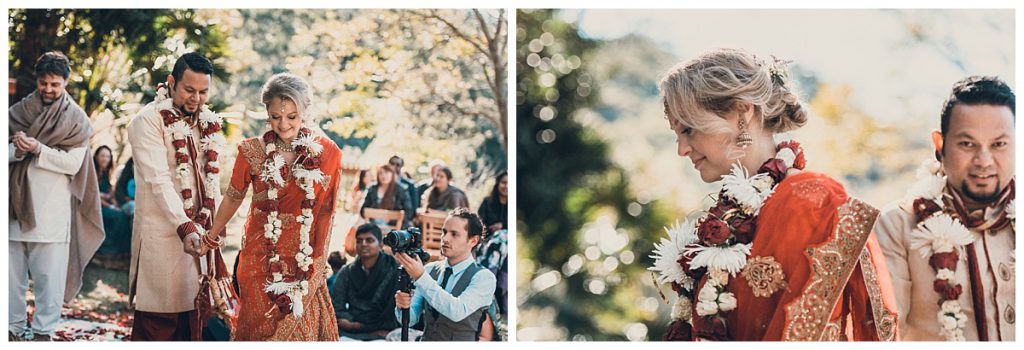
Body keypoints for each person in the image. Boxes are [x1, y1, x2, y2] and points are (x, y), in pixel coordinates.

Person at [652, 48, 898, 341]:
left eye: (689, 130)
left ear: (743, 113)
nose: (682, 150)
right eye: (677, 136)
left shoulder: (811, 201)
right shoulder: (727, 217)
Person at [874, 76, 1014, 341]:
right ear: (940, 145)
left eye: (999, 144)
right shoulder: (896, 226)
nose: (983, 161)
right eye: (967, 144)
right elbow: (885, 338)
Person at [207, 73, 342, 341]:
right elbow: (233, 196)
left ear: (305, 112)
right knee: (258, 329)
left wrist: (316, 259)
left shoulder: (327, 153)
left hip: (304, 259)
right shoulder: (252, 151)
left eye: (292, 116)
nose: (283, 124)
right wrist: (211, 236)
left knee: (301, 331)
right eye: (275, 116)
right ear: (266, 112)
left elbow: (326, 210)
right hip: (259, 258)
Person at [126, 52, 223, 341]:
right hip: (163, 236)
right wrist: (183, 225)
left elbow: (211, 178)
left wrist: (214, 221)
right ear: (171, 82)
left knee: (193, 321)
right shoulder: (147, 121)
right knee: (159, 320)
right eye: (189, 90)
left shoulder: (206, 122)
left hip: (199, 238)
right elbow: (158, 180)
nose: (196, 99)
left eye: (203, 92)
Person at [8, 50, 104, 342]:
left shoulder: (75, 119)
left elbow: (74, 164)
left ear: (65, 83)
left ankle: (42, 331)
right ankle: (12, 328)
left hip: (53, 209)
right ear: (37, 81)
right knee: (11, 278)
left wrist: (38, 149)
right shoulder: (17, 112)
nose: (48, 90)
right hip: (13, 206)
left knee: (49, 278)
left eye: (55, 84)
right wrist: (16, 151)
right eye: (43, 83)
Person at [394, 208, 497, 341]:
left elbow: (457, 311)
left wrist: (420, 276)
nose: (445, 238)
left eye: (454, 234)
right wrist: (402, 305)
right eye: (444, 232)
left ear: (473, 241)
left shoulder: (484, 277)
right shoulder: (430, 270)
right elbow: (410, 319)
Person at [331, 223, 400, 341]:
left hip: (384, 330)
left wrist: (357, 326)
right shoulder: (347, 272)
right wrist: (354, 325)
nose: (363, 244)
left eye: (369, 240)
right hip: (350, 330)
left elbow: (394, 313)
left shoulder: (394, 271)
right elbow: (337, 307)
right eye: (359, 240)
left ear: (381, 245)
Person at [93, 146, 133, 269]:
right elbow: (91, 194)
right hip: (94, 207)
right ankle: (106, 254)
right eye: (102, 156)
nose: (105, 159)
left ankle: (121, 256)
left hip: (105, 205)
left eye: (108, 156)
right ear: (96, 157)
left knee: (123, 215)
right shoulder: (91, 172)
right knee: (118, 217)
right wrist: (108, 204)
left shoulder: (107, 173)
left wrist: (114, 203)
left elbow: (110, 194)